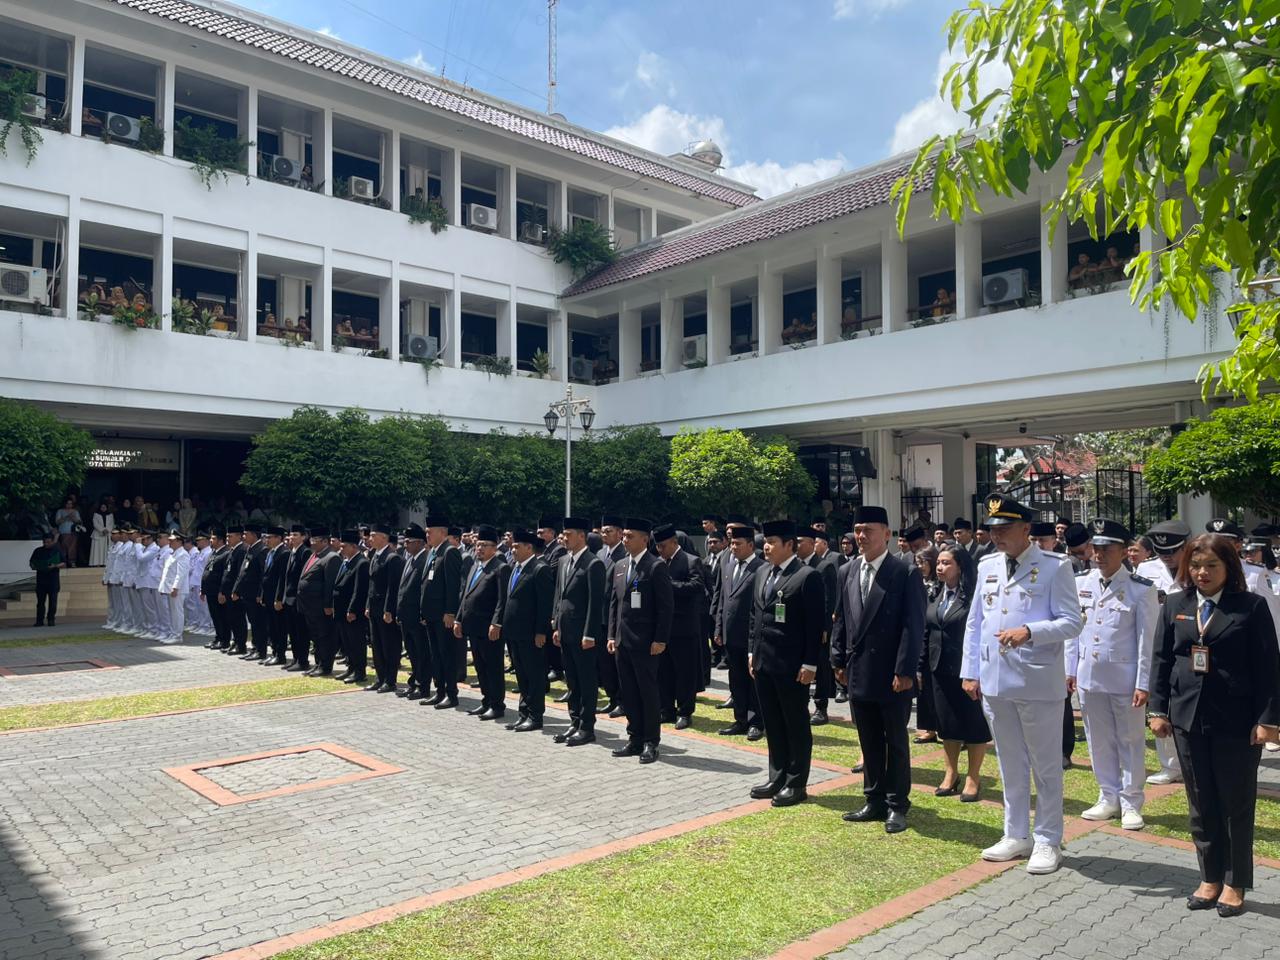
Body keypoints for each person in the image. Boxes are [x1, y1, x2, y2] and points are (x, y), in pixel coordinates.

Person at [1149, 533, 1280, 917]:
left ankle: (1235, 880)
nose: (1202, 573)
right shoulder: (1176, 603)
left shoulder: (1251, 607)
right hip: (1189, 718)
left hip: (1238, 722)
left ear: (1229, 567)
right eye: (1195, 565)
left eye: (1211, 566)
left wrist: (1269, 721)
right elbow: (1161, 660)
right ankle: (1210, 877)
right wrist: (1158, 710)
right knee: (1201, 802)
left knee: (1235, 804)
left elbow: (1269, 668)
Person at [962, 494, 1083, 874]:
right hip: (996, 679)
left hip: (1036, 679)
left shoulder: (1053, 566)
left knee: (1045, 766)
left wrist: (1030, 631)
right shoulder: (987, 565)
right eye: (993, 529)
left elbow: (1072, 621)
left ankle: (1048, 838)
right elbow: (975, 622)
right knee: (1010, 762)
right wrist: (970, 670)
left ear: (1026, 529)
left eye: (1005, 528)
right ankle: (1016, 833)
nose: (997, 535)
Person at [833, 506, 927, 832]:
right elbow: (842, 619)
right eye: (857, 530)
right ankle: (872, 799)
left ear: (887, 534)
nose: (861, 537)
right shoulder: (846, 571)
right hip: (858, 670)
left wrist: (904, 671)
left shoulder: (904, 572)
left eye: (868, 530)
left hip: (891, 675)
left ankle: (897, 804)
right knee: (868, 739)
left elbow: (912, 627)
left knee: (895, 742)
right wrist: (837, 659)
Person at [1069, 519, 1159, 831]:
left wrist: (1144, 683)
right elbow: (1074, 632)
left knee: (1131, 739)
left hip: (1125, 678)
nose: (1099, 554)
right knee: (1098, 739)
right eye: (1096, 548)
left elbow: (1146, 642)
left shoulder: (1141, 590)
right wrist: (1070, 671)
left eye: (1107, 548)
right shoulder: (1081, 583)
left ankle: (1132, 800)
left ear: (1124, 551)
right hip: (1090, 676)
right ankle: (1108, 795)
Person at [750, 519, 826, 807]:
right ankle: (777, 775)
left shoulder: (807, 576)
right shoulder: (762, 573)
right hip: (763, 663)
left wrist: (810, 664)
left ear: (790, 545)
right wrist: (750, 653)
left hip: (792, 666)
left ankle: (796, 782)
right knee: (773, 723)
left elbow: (814, 626)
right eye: (765, 541)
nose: (766, 547)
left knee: (795, 724)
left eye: (772, 542)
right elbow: (753, 618)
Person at [607, 518, 673, 764]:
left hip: (646, 643)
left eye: (630, 536)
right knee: (629, 692)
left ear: (645, 539)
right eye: (623, 535)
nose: (625, 539)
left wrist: (660, 639)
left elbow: (666, 608)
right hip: (623, 641)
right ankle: (634, 737)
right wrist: (612, 635)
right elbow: (615, 603)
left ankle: (650, 741)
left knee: (647, 692)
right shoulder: (621, 565)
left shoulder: (655, 566)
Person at [927, 545, 989, 800]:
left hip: (967, 670)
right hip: (938, 668)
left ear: (960, 566)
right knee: (947, 724)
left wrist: (977, 671)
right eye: (939, 563)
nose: (940, 567)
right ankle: (950, 774)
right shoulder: (935, 593)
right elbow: (927, 629)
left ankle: (973, 778)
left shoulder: (973, 596)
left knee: (973, 724)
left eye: (946, 563)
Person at [493, 529, 555, 731]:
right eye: (512, 547)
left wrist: (540, 632)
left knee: (534, 675)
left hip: (530, 634)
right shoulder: (515, 568)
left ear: (529, 547)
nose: (513, 550)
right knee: (521, 674)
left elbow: (544, 605)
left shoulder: (540, 569)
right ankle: (523, 713)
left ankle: (536, 716)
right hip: (514, 633)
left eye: (517, 547)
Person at [551, 517, 606, 743]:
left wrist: (590, 633)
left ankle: (587, 726)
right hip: (565, 630)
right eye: (563, 534)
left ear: (582, 536)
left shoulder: (593, 564)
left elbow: (596, 602)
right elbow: (559, 595)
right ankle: (574, 722)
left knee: (586, 680)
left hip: (583, 634)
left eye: (569, 534)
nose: (564, 538)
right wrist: (555, 624)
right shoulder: (564, 560)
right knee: (571, 681)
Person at [653, 523, 706, 730]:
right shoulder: (657, 563)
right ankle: (666, 709)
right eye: (657, 546)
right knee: (664, 672)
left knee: (685, 672)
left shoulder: (691, 561)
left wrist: (670, 585)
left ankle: (685, 711)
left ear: (674, 542)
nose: (660, 550)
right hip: (661, 628)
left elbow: (697, 586)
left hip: (684, 628)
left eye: (663, 546)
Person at [714, 524, 765, 740]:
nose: (733, 547)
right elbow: (722, 601)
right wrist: (718, 628)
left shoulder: (761, 569)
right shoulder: (728, 566)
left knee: (752, 681)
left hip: (751, 636)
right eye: (732, 543)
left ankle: (756, 722)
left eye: (738, 544)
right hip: (730, 635)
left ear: (751, 545)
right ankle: (740, 719)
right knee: (736, 680)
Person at [456, 524, 510, 720]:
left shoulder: (500, 568)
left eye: (484, 545)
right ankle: (486, 701)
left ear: (494, 548)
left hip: (489, 629)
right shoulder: (474, 566)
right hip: (473, 627)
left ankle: (497, 705)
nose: (479, 548)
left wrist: (496, 624)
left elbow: (502, 600)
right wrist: (459, 619)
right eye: (478, 545)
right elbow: (465, 595)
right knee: (480, 667)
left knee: (493, 667)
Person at [420, 516, 463, 709]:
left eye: (430, 531)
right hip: (431, 614)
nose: (427, 534)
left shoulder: (450, 552)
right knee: (435, 654)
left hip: (442, 615)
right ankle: (439, 691)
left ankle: (451, 693)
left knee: (446, 654)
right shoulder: (432, 553)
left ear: (443, 533)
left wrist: (450, 612)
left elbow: (453, 586)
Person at [365, 522, 405, 693]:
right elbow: (371, 584)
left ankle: (390, 680)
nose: (370, 538)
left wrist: (389, 610)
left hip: (385, 610)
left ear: (383, 537)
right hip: (374, 608)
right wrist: (368, 605)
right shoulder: (375, 555)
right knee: (377, 645)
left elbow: (392, 587)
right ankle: (380, 678)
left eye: (374, 536)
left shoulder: (392, 557)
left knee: (390, 645)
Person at [299, 528, 342, 678]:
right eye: (311, 540)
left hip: (321, 606)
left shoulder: (331, 558)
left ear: (325, 541)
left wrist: (328, 605)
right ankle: (318, 663)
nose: (311, 542)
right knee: (316, 636)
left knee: (325, 636)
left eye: (315, 540)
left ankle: (325, 665)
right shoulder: (314, 556)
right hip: (309, 606)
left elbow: (330, 584)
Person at [393, 524, 430, 698]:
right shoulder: (410, 559)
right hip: (406, 616)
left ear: (420, 543)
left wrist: (423, 613)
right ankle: (414, 682)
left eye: (409, 541)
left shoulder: (425, 560)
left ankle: (423, 686)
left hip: (417, 616)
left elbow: (424, 590)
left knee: (421, 652)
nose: (405, 545)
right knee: (412, 652)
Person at [332, 531, 371, 683]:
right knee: (347, 642)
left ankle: (360, 672)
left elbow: (359, 590)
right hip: (341, 610)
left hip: (352, 612)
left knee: (356, 642)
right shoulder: (346, 561)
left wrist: (352, 609)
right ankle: (351, 668)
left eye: (344, 546)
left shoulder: (361, 563)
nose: (340, 549)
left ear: (354, 546)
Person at [278, 525, 312, 671]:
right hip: (289, 598)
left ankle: (303, 660)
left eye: (296, 535)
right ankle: (296, 658)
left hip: (298, 599)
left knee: (301, 632)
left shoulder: (305, 552)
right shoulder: (291, 552)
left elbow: (303, 577)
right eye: (291, 535)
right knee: (292, 631)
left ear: (303, 537)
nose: (292, 537)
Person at [233, 524, 269, 661]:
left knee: (259, 623)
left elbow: (262, 575)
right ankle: (255, 648)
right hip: (247, 594)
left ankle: (261, 650)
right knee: (254, 623)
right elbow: (243, 572)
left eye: (246, 534)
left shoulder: (261, 550)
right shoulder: (250, 549)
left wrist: (260, 594)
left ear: (254, 535)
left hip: (255, 595)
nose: (243, 536)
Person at [259, 526, 290, 665]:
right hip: (268, 595)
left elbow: (281, 579)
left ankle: (280, 654)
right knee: (271, 626)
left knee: (279, 627)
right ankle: (274, 652)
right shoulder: (270, 553)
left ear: (278, 538)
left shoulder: (283, 553)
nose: (267, 540)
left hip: (276, 597)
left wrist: (278, 598)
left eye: (270, 537)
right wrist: (262, 595)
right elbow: (265, 576)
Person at [201, 529, 231, 651]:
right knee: (215, 616)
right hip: (210, 591)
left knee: (222, 617)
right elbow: (207, 571)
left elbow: (224, 575)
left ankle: (224, 640)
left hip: (218, 591)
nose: (210, 541)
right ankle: (218, 637)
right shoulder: (214, 553)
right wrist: (203, 589)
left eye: (213, 539)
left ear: (220, 540)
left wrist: (221, 591)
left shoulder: (225, 553)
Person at [157, 531, 190, 643]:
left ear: (179, 541)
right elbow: (166, 573)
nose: (169, 542)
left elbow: (181, 573)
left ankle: (177, 636)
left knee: (177, 612)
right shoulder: (173, 553)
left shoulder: (183, 554)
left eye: (172, 540)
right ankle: (173, 633)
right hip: (171, 588)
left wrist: (175, 588)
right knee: (172, 612)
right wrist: (163, 588)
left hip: (177, 589)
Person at [29, 532, 65, 627]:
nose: (46, 544)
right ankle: (39, 620)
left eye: (48, 542)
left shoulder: (57, 550)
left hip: (53, 579)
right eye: (45, 542)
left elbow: (64, 563)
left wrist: (55, 565)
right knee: (40, 602)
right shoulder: (38, 551)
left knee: (53, 601)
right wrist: (35, 566)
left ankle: (51, 619)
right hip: (41, 579)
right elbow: (32, 562)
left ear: (53, 541)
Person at [54, 498, 82, 568]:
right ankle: (64, 562)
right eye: (67, 503)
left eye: (70, 503)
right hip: (63, 532)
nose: (69, 505)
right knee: (63, 547)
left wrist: (72, 518)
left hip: (73, 532)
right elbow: (57, 522)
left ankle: (72, 562)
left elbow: (79, 521)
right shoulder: (60, 511)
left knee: (72, 547)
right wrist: (66, 517)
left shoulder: (75, 511)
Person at [90, 501, 113, 567]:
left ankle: (106, 563)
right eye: (102, 507)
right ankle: (97, 563)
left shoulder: (110, 515)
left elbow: (111, 523)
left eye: (104, 507)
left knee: (106, 549)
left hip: (107, 534)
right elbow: (95, 523)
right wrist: (102, 530)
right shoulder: (96, 514)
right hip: (98, 534)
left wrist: (107, 530)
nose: (103, 508)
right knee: (98, 550)